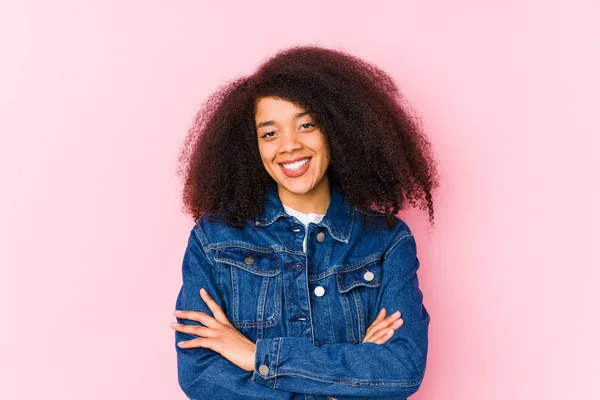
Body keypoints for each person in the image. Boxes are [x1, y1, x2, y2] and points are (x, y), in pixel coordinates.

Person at [171, 45, 439, 400]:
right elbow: (200, 374)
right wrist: (342, 384)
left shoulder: (386, 242)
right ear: (252, 147)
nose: (289, 145)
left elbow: (402, 369)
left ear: (337, 130)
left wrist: (256, 357)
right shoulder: (214, 239)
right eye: (270, 133)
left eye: (306, 125)